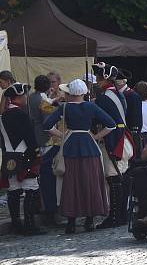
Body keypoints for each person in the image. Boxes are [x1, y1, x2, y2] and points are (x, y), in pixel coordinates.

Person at [43, 79, 117, 234]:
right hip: (90, 147)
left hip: (70, 147)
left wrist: (63, 135)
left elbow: (47, 125)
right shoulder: (91, 106)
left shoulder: (64, 108)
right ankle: (89, 220)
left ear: (70, 93)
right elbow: (111, 124)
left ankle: (71, 222)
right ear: (84, 93)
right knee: (90, 183)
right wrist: (96, 137)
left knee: (70, 185)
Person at [91, 63, 134, 229]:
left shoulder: (104, 97)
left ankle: (115, 216)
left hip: (114, 140)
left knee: (114, 178)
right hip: (121, 138)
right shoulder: (116, 93)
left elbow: (100, 119)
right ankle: (120, 215)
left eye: (98, 77)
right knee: (119, 178)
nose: (97, 80)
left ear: (104, 79)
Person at [0, 82, 46, 235]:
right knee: (30, 188)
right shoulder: (21, 115)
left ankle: (16, 224)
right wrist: (35, 154)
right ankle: (29, 224)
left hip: (9, 157)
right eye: (24, 95)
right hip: (25, 155)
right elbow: (29, 137)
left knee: (13, 190)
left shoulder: (3, 116)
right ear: (18, 97)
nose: (26, 97)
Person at [28, 75, 59, 225]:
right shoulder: (42, 99)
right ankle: (49, 209)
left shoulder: (32, 97)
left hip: (35, 135)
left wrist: (52, 98)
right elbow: (48, 116)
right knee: (47, 174)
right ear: (47, 87)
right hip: (45, 139)